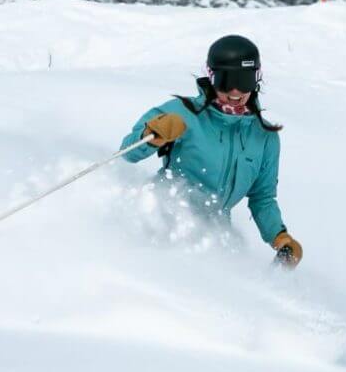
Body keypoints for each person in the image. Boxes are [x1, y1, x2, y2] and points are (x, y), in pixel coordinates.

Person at [120, 34, 303, 266]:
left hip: (212, 235)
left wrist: (279, 236)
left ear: (257, 80)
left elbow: (262, 197)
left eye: (245, 80)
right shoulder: (182, 113)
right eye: (227, 80)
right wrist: (152, 136)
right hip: (160, 219)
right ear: (212, 77)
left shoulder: (264, 136)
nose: (236, 91)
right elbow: (127, 152)